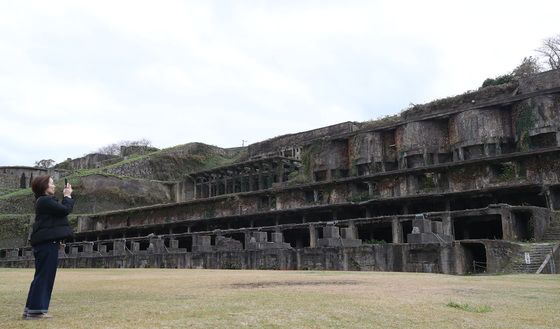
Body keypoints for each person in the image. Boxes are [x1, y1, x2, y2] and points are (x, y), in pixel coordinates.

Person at [23, 176, 74, 320]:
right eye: (51, 183)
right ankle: (37, 311)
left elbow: (59, 211)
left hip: (45, 243)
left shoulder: (43, 202)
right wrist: (68, 195)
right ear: (44, 186)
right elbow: (65, 210)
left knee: (41, 277)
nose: (54, 186)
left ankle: (31, 309)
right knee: (45, 277)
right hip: (47, 244)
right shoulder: (45, 201)